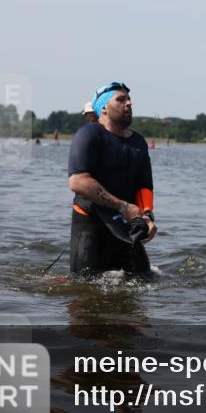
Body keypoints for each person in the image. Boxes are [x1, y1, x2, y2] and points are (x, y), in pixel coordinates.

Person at [67, 81, 157, 278]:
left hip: (125, 223)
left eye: (129, 99)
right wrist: (123, 207)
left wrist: (146, 216)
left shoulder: (138, 142)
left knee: (145, 279)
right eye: (121, 99)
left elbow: (143, 186)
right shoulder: (89, 134)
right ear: (104, 108)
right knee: (84, 286)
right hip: (91, 222)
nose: (129, 103)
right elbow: (78, 181)